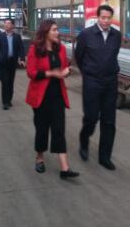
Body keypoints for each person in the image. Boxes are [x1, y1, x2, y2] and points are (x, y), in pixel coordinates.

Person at [26, 20, 79, 180]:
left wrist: (66, 71)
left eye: (57, 29)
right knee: (42, 129)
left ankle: (64, 168)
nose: (57, 32)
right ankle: (39, 157)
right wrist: (52, 73)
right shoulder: (35, 49)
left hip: (57, 95)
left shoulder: (60, 48)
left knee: (59, 130)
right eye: (54, 30)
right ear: (46, 32)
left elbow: (63, 67)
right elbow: (31, 72)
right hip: (40, 96)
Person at [75, 5, 121, 171]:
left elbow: (114, 55)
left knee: (109, 121)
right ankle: (84, 141)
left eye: (109, 18)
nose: (106, 21)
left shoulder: (116, 35)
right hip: (92, 81)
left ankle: (104, 157)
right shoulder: (86, 35)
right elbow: (78, 57)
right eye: (103, 17)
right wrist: (88, 73)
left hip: (110, 82)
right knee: (91, 117)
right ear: (97, 17)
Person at [0, 18, 25, 110]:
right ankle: (5, 102)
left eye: (9, 23)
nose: (7, 25)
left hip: (12, 62)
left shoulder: (17, 36)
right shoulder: (0, 36)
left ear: (12, 25)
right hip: (3, 62)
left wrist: (22, 59)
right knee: (5, 82)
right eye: (5, 23)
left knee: (11, 82)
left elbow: (21, 48)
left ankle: (9, 100)